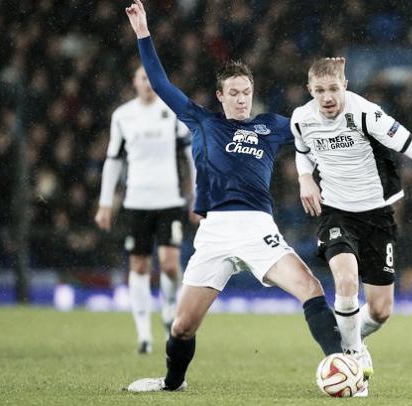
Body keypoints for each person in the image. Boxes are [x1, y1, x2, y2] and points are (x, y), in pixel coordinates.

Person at [123, 0, 343, 393]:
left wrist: (335, 93)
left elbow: (316, 124)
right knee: (182, 325)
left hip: (258, 227)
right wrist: (143, 33)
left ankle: (343, 365)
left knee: (310, 287)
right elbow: (160, 84)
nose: (243, 99)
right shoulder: (202, 121)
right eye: (235, 93)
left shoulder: (271, 126)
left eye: (248, 92)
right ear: (220, 96)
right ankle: (173, 383)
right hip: (214, 232)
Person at [291, 57, 412, 395]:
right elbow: (302, 150)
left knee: (380, 310)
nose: (327, 97)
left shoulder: (368, 114)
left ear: (345, 86)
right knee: (346, 279)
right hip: (335, 211)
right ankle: (351, 359)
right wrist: (305, 177)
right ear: (310, 90)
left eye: (334, 89)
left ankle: (354, 337)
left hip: (377, 216)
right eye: (319, 90)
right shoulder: (301, 118)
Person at [95, 65, 194, 355]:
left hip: (170, 200)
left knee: (169, 264)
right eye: (142, 78)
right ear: (134, 82)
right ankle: (144, 335)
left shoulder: (172, 112)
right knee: (138, 266)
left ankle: (168, 307)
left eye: (152, 79)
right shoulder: (123, 116)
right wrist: (104, 203)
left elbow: (190, 155)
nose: (148, 84)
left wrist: (197, 194)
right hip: (136, 202)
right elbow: (113, 160)